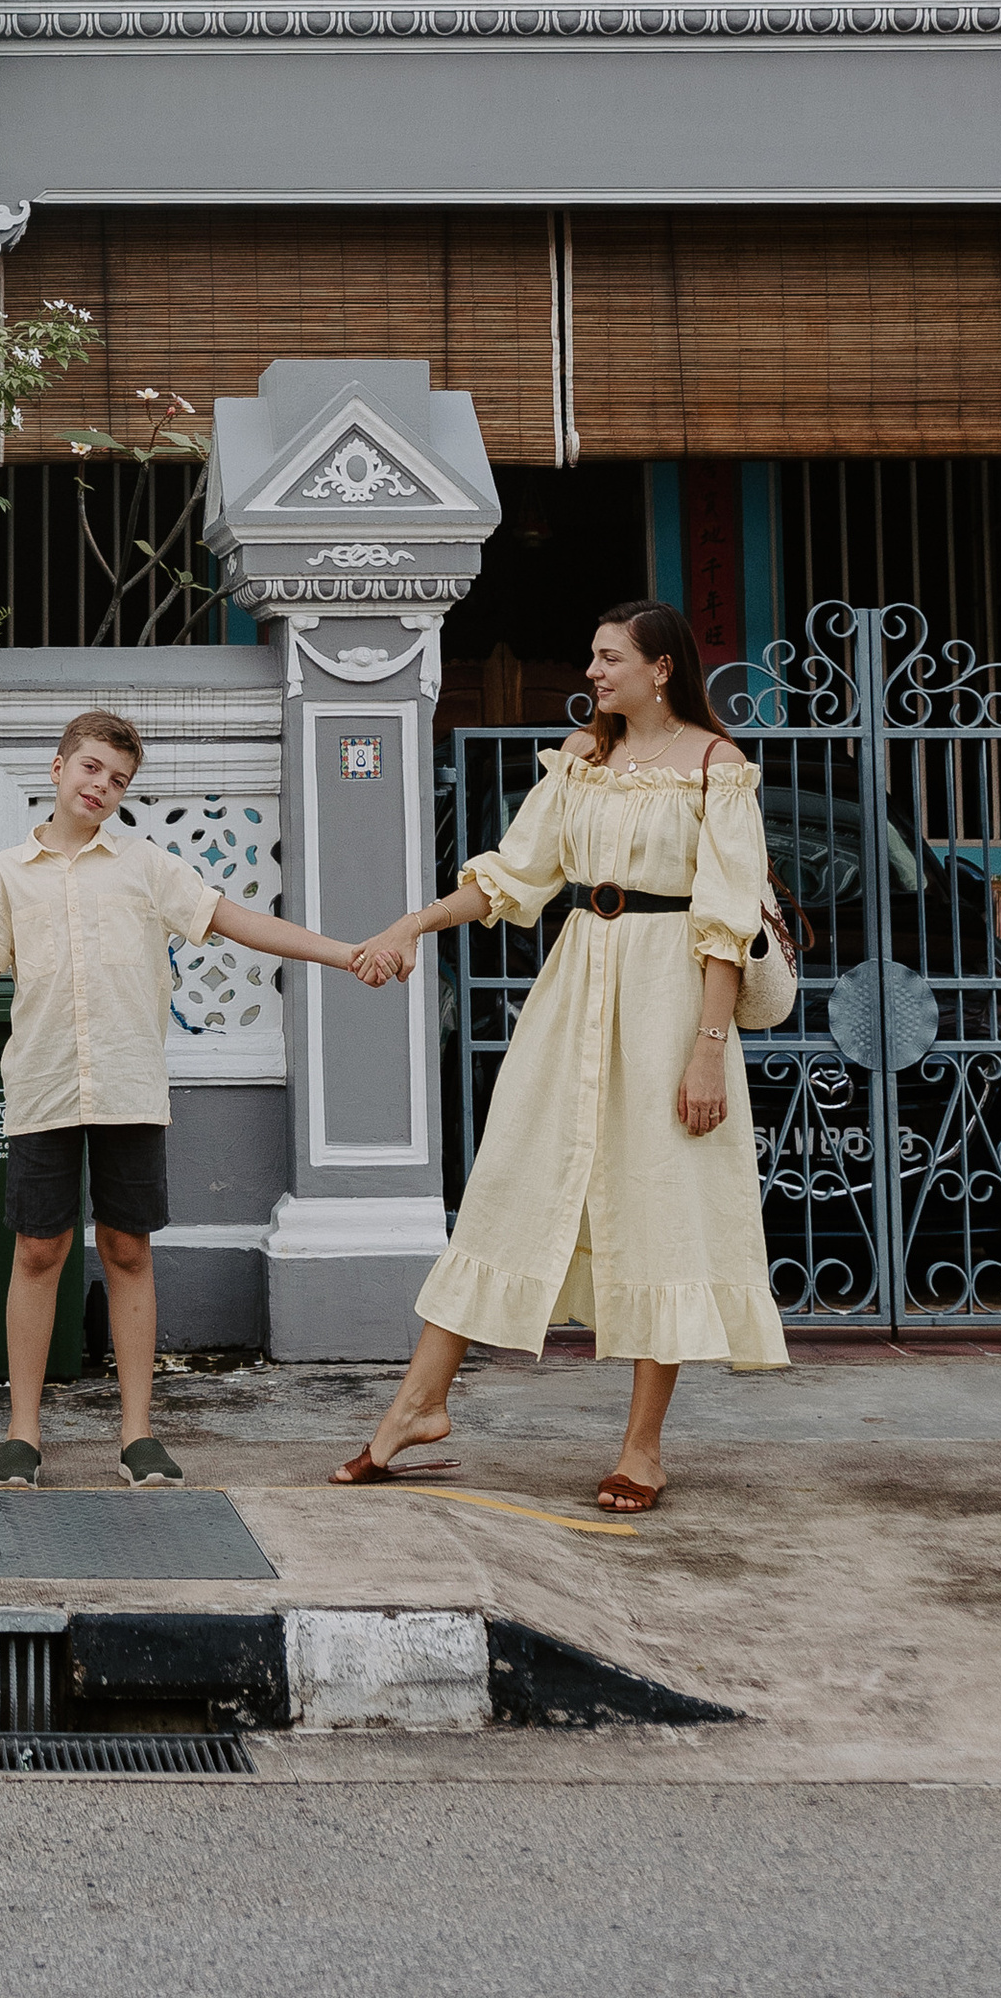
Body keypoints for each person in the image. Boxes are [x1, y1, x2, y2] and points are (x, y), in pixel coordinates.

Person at [332, 597, 786, 1515]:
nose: (592, 671)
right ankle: (417, 1409)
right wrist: (414, 921)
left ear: (661, 668)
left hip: (671, 1000)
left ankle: (642, 1448)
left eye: (609, 656)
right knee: (510, 1179)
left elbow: (727, 920)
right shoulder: (582, 762)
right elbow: (514, 875)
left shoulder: (716, 767)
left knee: (662, 1202)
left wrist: (706, 1051)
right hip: (576, 986)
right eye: (591, 655)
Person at [0, 707, 387, 1491]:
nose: (102, 787)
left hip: (128, 1085)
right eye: (90, 769)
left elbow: (241, 922)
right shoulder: (9, 874)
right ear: (57, 769)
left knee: (127, 1250)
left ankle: (137, 1435)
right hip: (43, 1085)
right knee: (38, 1251)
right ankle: (22, 1435)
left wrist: (345, 954)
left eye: (118, 780)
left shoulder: (146, 866)